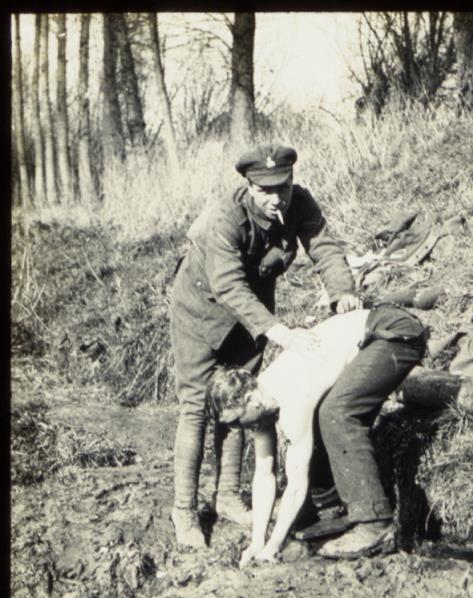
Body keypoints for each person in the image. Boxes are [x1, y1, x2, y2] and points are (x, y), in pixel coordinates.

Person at [169, 143, 362, 548]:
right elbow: (227, 285)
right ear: (248, 186)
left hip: (252, 314)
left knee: (246, 401)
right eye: (265, 191)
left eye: (284, 188)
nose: (276, 199)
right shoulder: (226, 215)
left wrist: (342, 292)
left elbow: (324, 247)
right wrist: (279, 332)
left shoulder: (300, 203)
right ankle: (184, 512)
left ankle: (227, 496)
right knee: (196, 408)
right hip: (202, 312)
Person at [205, 304, 427, 565]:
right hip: (373, 339)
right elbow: (264, 475)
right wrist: (257, 542)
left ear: (250, 399)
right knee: (326, 411)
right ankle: (329, 507)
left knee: (336, 412)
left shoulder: (291, 399)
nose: (236, 430)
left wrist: (273, 546)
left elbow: (296, 486)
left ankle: (374, 524)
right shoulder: (262, 403)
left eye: (236, 421)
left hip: (393, 331)